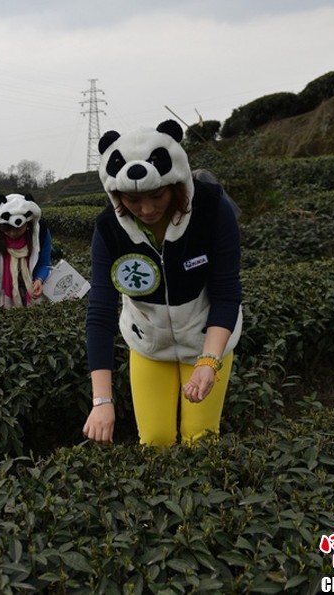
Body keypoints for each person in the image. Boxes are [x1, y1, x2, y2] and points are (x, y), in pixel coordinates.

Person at [83, 120, 242, 448]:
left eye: (158, 196)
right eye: (131, 199)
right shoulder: (109, 229)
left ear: (176, 183)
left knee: (200, 441)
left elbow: (227, 293)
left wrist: (209, 361)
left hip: (205, 342)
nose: (147, 209)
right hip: (149, 345)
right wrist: (101, 402)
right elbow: (100, 311)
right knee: (154, 442)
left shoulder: (212, 209)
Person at [0, 193, 52, 314]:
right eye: (6, 229)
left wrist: (39, 280)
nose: (12, 233)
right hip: (3, 295)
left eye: (17, 228)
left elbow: (44, 264)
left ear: (27, 223)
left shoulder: (39, 233)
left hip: (33, 294)